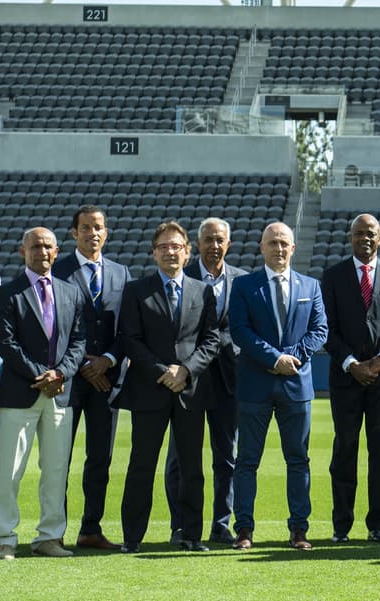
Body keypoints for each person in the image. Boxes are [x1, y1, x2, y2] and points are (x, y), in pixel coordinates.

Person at [116, 221, 221, 553]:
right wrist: (164, 371)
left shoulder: (202, 291)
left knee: (192, 467)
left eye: (176, 246)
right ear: (153, 253)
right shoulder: (136, 290)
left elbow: (211, 340)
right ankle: (132, 537)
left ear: (187, 251)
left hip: (189, 392)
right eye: (163, 247)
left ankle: (191, 535)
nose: (170, 252)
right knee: (141, 465)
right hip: (150, 389)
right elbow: (129, 339)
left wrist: (186, 371)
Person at [229, 222, 328, 551]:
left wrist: (292, 358)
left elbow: (319, 330)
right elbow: (240, 331)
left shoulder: (310, 286)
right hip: (255, 384)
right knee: (247, 461)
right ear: (262, 247)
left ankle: (299, 530)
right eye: (273, 243)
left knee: (298, 460)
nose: (279, 248)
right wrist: (275, 359)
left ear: (293, 247)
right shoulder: (244, 285)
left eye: (284, 243)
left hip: (296, 385)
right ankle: (244, 529)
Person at [0, 227, 86, 560]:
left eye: (47, 247)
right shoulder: (7, 293)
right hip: (20, 393)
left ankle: (50, 537)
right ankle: (4, 537)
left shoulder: (71, 292)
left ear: (57, 252)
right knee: (8, 469)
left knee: (56, 469)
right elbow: (5, 342)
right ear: (22, 251)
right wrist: (39, 375)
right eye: (35, 247)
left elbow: (79, 341)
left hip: (60, 393)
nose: (41, 252)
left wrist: (59, 374)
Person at [322, 213, 380, 542]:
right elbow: (326, 330)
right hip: (345, 379)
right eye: (359, 233)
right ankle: (341, 526)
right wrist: (351, 363)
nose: (365, 239)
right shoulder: (332, 277)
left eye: (370, 234)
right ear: (350, 238)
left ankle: (378, 525)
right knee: (344, 451)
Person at [52, 204, 130, 551]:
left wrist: (109, 360)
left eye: (98, 227)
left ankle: (90, 529)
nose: (92, 233)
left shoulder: (121, 273)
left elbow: (128, 328)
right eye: (85, 227)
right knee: (60, 458)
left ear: (106, 232)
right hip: (67, 380)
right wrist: (84, 363)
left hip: (107, 380)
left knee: (100, 458)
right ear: (74, 233)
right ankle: (53, 530)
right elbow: (51, 325)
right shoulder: (57, 270)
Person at [166, 217, 247, 545]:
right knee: (179, 458)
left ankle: (221, 524)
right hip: (188, 382)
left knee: (226, 456)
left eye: (220, 240)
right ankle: (179, 525)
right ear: (196, 245)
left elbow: (244, 328)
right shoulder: (182, 278)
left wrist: (226, 345)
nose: (214, 245)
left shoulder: (242, 282)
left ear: (229, 244)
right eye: (208, 240)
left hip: (229, 382)